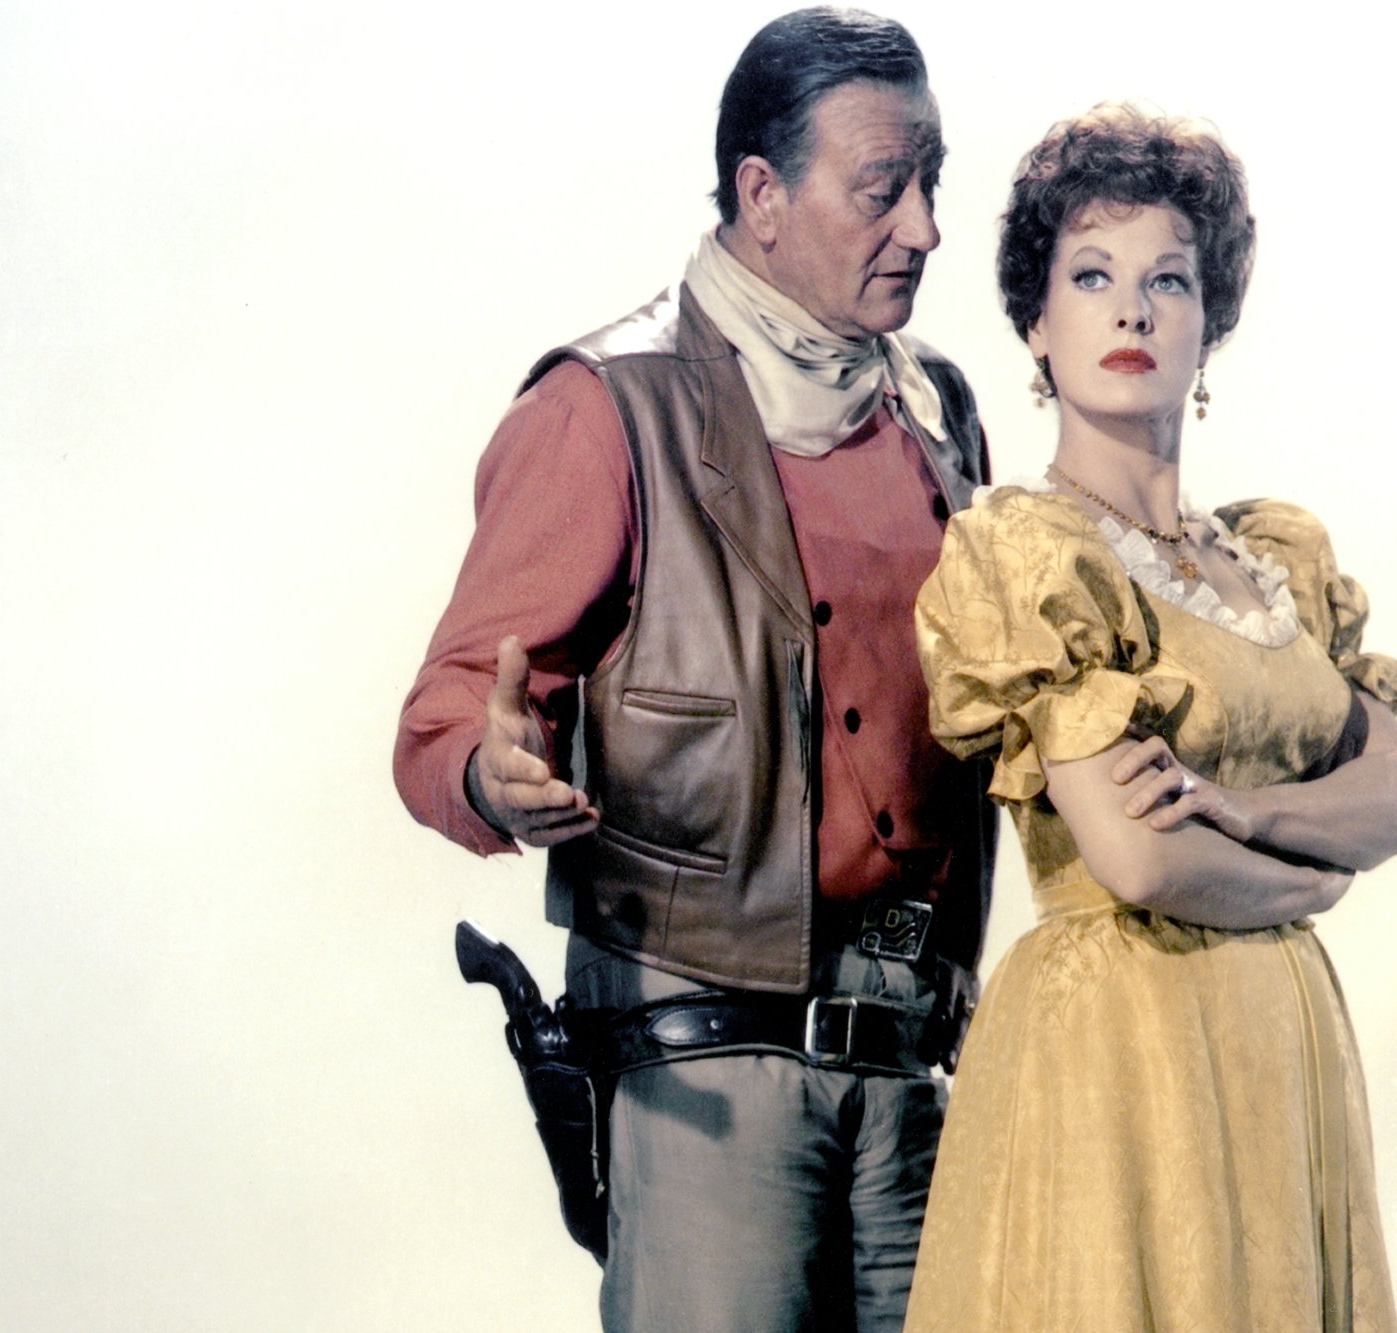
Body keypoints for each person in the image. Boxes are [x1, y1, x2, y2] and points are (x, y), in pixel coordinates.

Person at [392, 9, 994, 1331]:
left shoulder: (939, 412)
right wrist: (492, 775)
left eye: (932, 184)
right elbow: (442, 718)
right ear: (760, 195)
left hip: (920, 1068)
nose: (925, 229)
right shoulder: (606, 407)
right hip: (705, 1077)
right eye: (882, 189)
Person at [904, 104, 1397, 1331]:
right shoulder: (1025, 552)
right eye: (1090, 277)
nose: (1131, 314)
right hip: (1118, 1041)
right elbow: (1137, 858)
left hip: (1279, 1043)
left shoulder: (1275, 557)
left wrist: (1237, 809)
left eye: (1168, 281)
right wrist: (1314, 874)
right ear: (1035, 324)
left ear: (1210, 322)